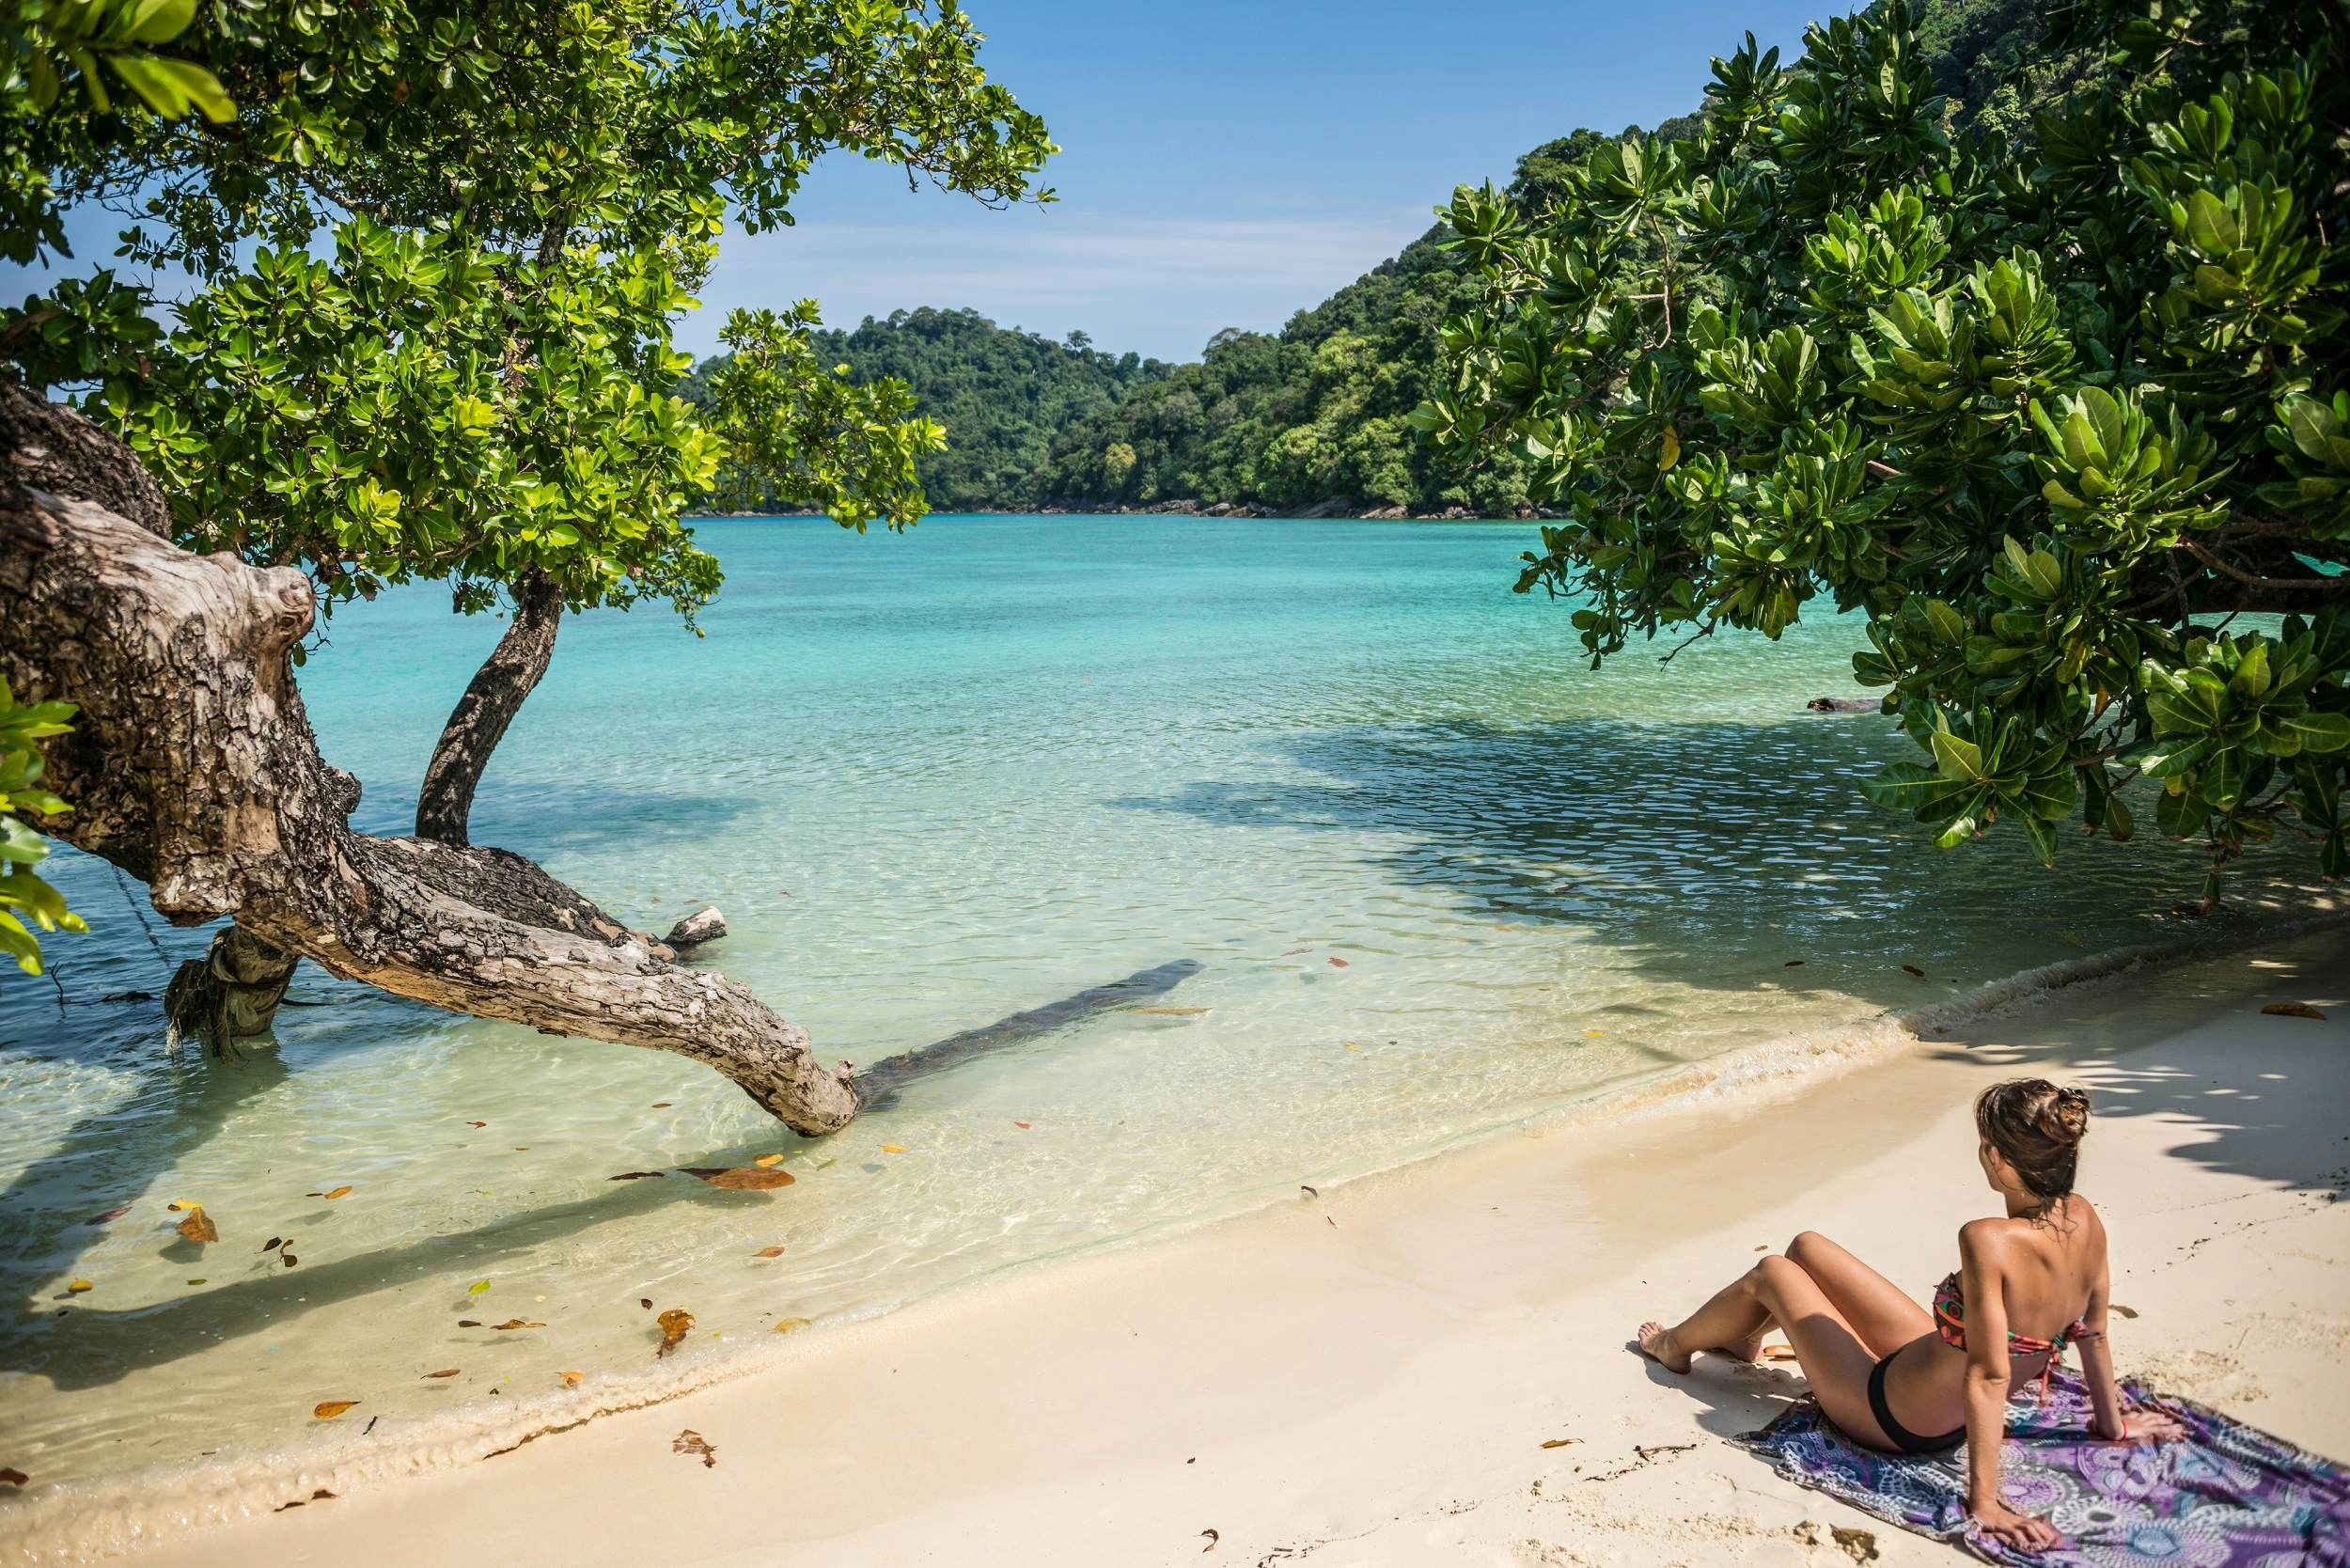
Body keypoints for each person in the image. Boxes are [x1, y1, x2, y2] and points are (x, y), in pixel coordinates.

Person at [1635, 1078, 2186, 1552]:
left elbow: (1991, 1376)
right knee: (1807, 1247)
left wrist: (1985, 1502)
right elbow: (2091, 1332)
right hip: (1923, 1365)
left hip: (1893, 1416)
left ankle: (1674, 1347)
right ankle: (1742, 1339)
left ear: (1995, 1158)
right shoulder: (2083, 1217)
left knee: (1772, 1273)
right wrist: (2110, 1426)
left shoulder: (1988, 1239)